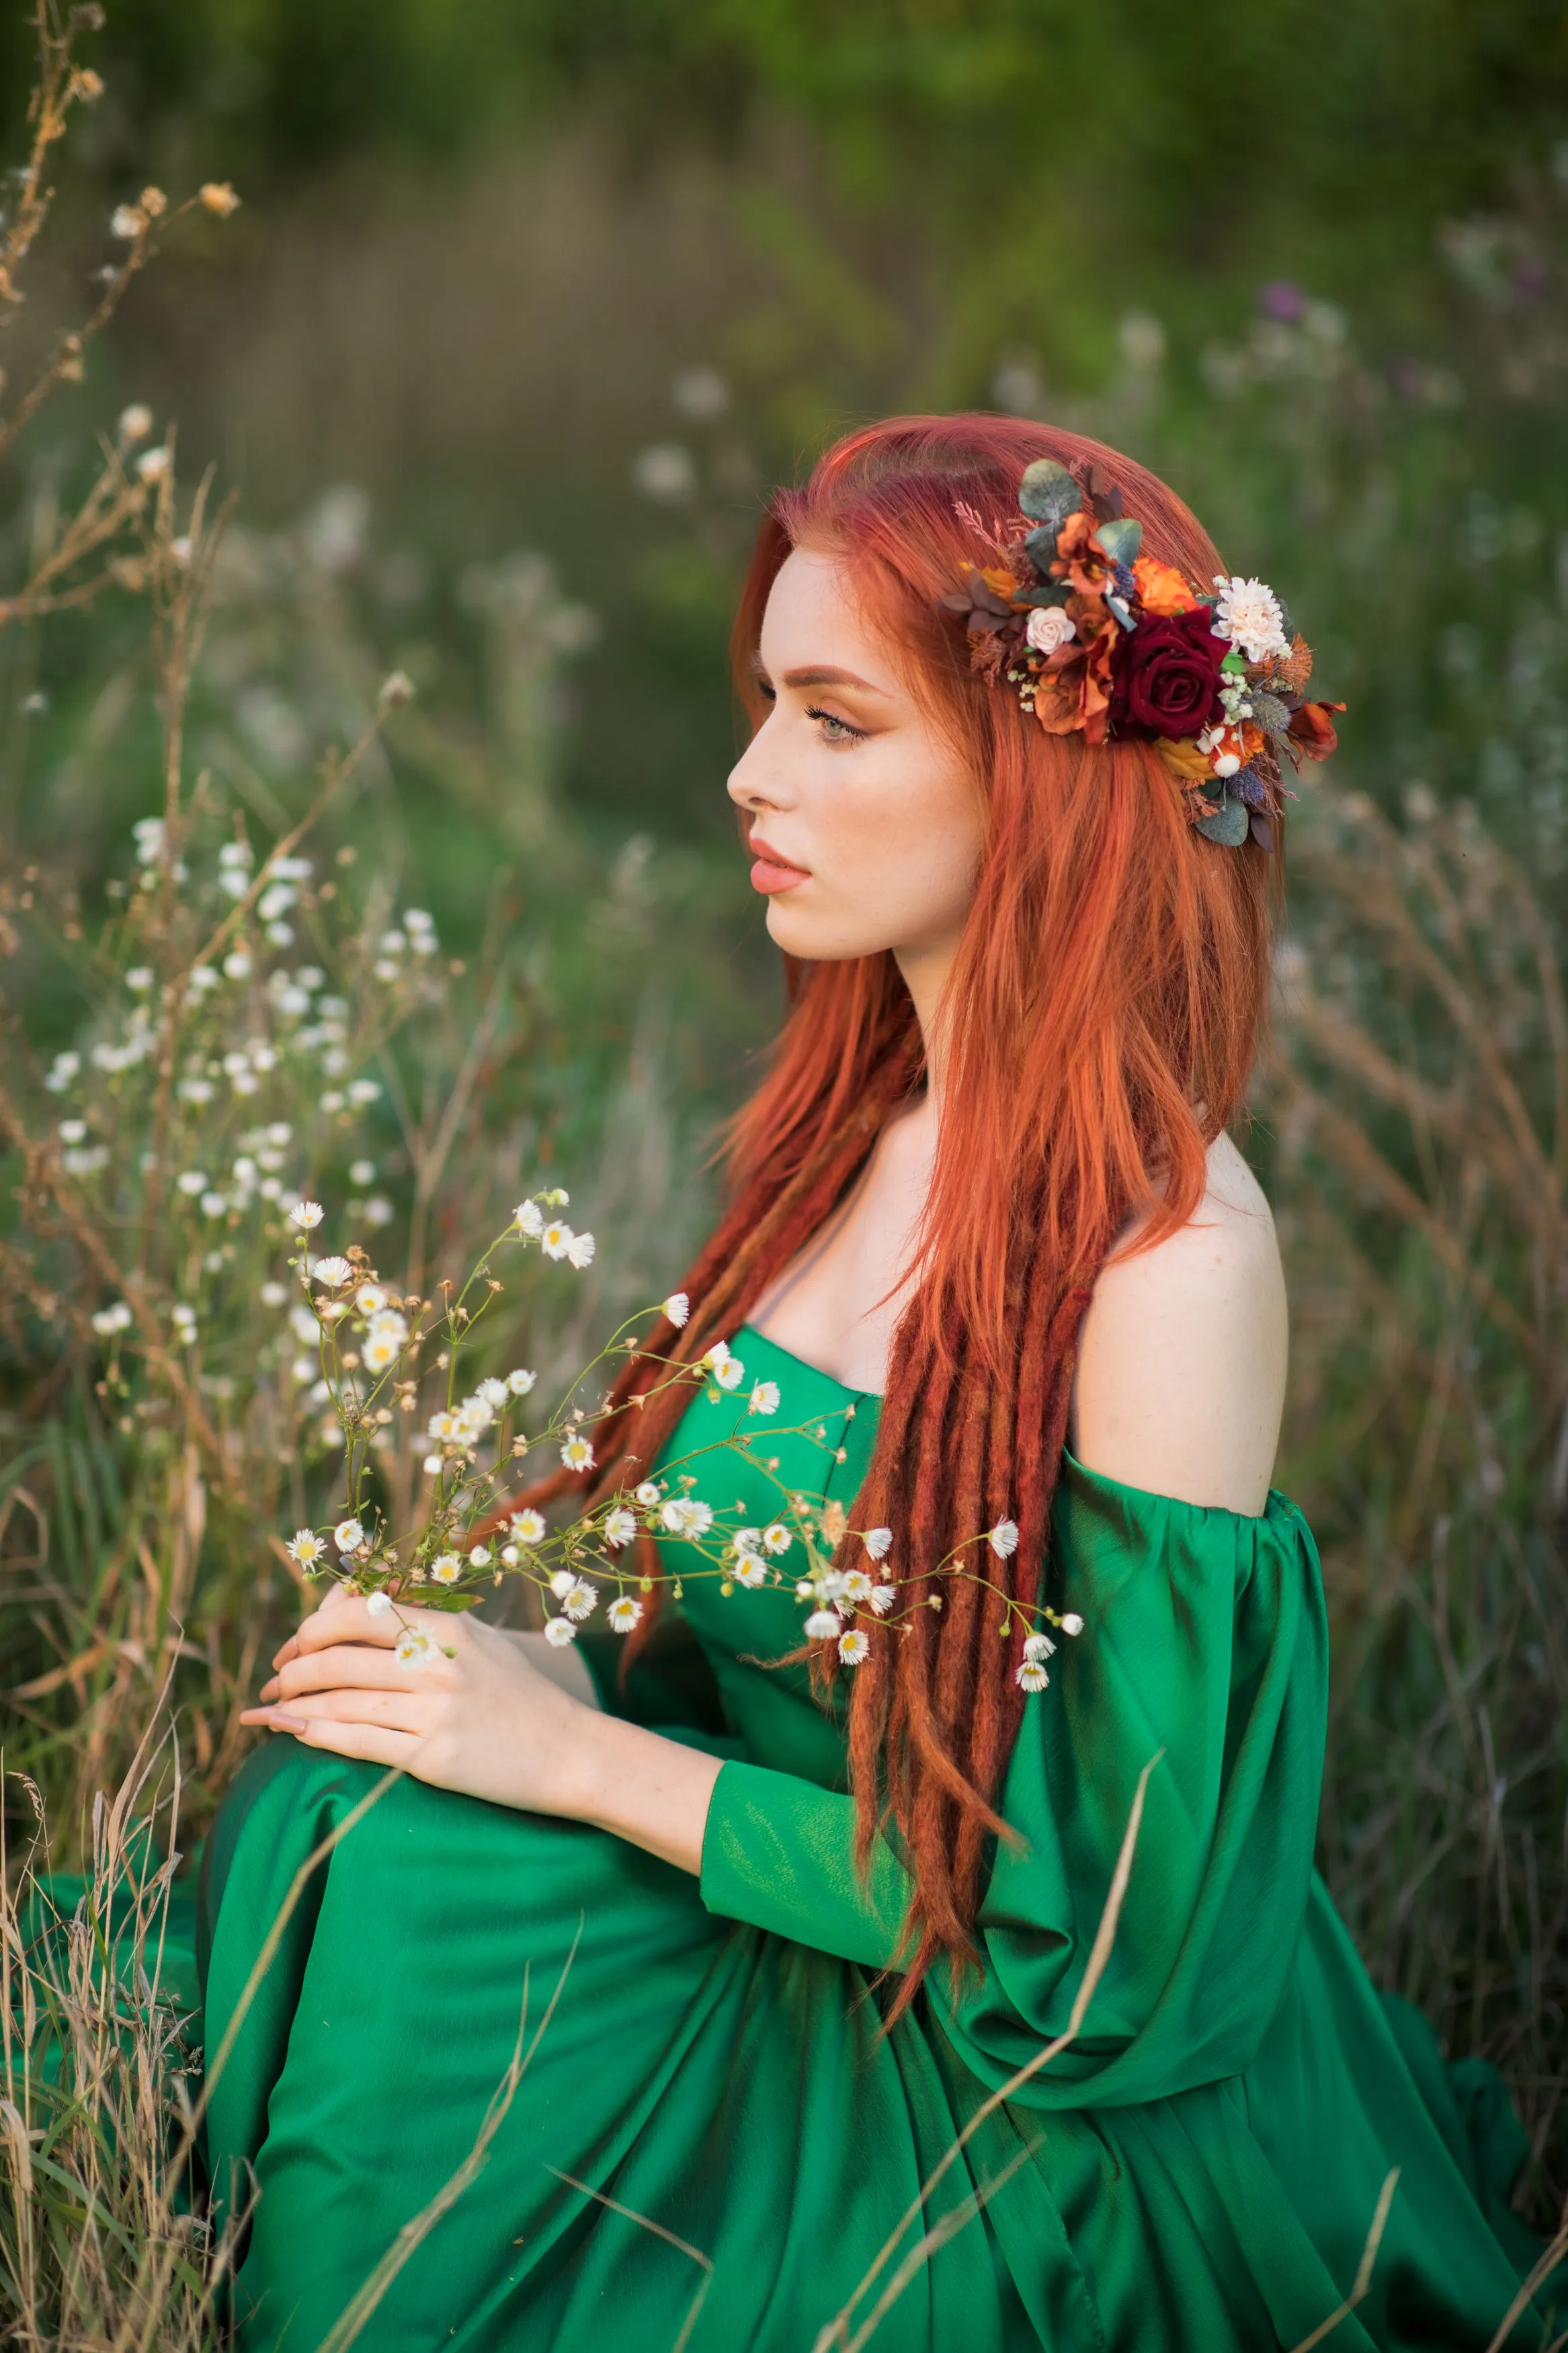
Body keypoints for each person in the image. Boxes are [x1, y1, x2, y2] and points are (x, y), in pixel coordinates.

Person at [200, 415, 1550, 2350]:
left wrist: (578, 1757)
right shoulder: (861, 1116)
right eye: (767, 706)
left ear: (1036, 781)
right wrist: (520, 1679)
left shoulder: (1165, 1263)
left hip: (992, 2082)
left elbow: (1095, 1943)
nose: (750, 773)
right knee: (363, 1819)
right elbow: (766, 1659)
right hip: (764, 1884)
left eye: (834, 722)